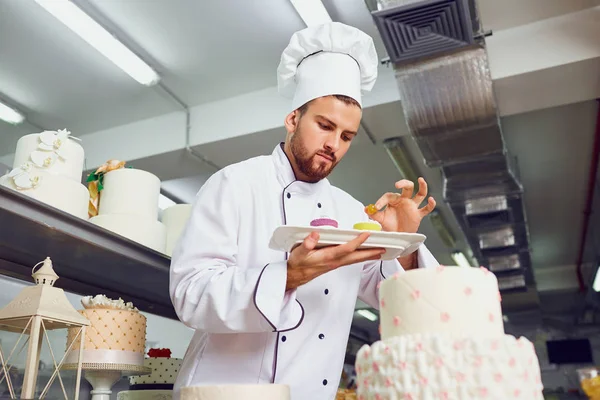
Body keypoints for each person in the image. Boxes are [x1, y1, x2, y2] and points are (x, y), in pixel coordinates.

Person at [170, 22, 439, 400]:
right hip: (224, 393)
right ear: (293, 118)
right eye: (324, 126)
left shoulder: (350, 211)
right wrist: (287, 276)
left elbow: (401, 306)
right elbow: (190, 294)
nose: (333, 144)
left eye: (346, 136)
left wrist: (402, 244)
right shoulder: (235, 184)